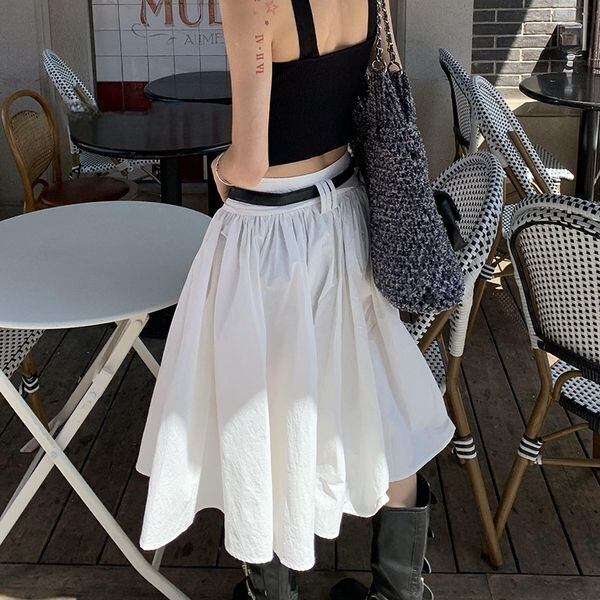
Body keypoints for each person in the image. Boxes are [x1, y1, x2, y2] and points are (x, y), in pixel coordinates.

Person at [135, 1, 455, 598]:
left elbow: (251, 162)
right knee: (378, 398)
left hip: (271, 238)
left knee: (261, 411)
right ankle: (400, 589)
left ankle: (273, 590)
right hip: (346, 214)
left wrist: (220, 169)